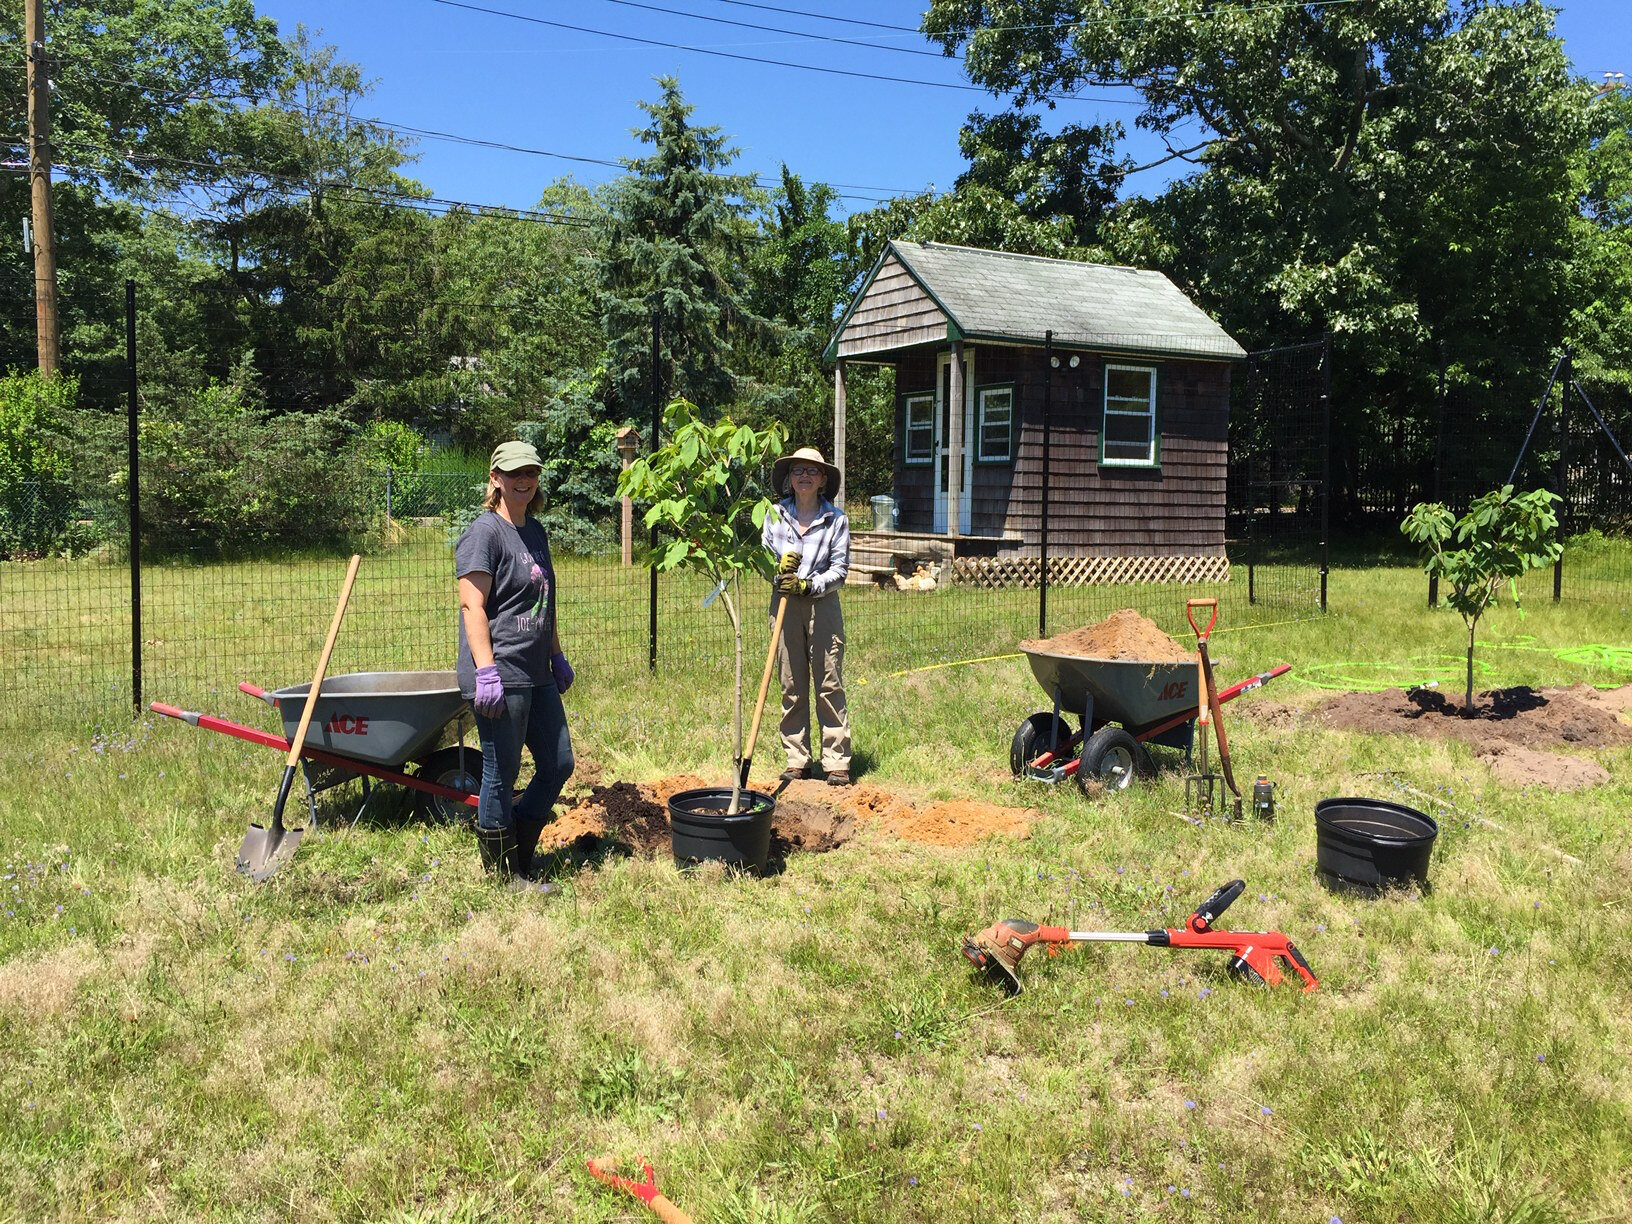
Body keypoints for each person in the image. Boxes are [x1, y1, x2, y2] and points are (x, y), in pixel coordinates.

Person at [455, 440, 575, 879]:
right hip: (501, 670)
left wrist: (556, 656)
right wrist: (486, 671)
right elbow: (473, 606)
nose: (524, 480)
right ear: (496, 480)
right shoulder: (484, 533)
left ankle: (521, 853)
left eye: (530, 473)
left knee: (559, 762)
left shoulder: (536, 532)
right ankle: (503, 873)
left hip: (536, 670)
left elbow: (545, 601)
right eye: (514, 473)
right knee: (501, 772)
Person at [762, 445, 852, 785]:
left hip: (822, 603)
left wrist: (807, 585)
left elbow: (840, 570)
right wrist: (778, 571)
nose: (804, 475)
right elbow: (763, 555)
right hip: (783, 602)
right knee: (791, 682)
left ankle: (836, 761)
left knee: (829, 682)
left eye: (811, 471)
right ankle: (797, 758)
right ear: (788, 478)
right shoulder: (773, 514)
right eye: (797, 470)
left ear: (823, 480)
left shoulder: (836, 519)